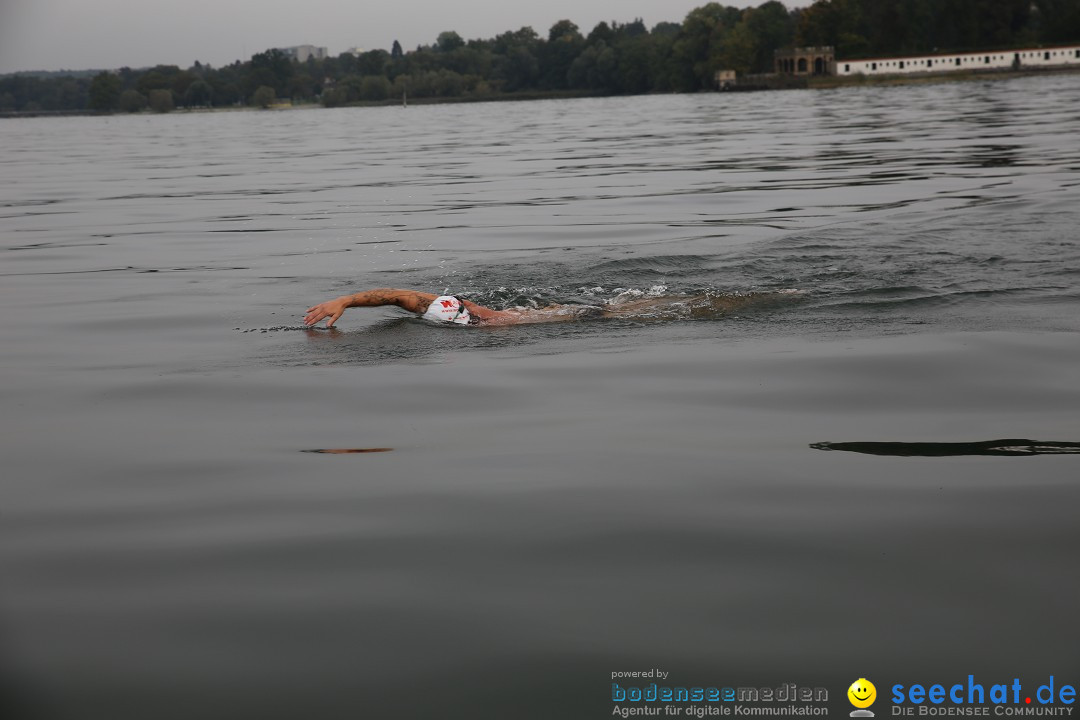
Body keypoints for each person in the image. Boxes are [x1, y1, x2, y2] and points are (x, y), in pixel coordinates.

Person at [303, 287, 786, 328]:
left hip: (573, 318)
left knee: (677, 308)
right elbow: (400, 297)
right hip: (561, 315)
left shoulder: (470, 320)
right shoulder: (460, 315)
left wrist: (345, 300)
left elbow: (400, 297)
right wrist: (344, 300)